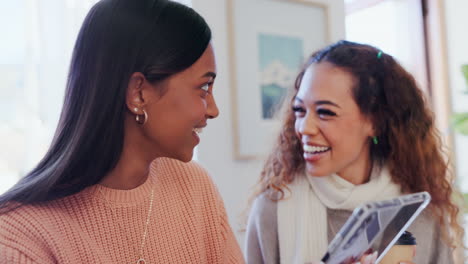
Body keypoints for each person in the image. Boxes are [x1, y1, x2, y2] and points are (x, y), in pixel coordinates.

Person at [0, 0, 244, 263]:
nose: (213, 109)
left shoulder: (195, 186)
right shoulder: (19, 238)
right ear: (138, 93)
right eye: (204, 88)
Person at [245, 40, 463, 264]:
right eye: (299, 110)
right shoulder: (272, 210)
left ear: (376, 122)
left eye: (325, 112)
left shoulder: (422, 215)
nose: (303, 128)